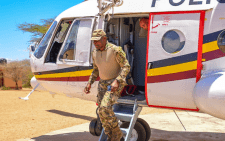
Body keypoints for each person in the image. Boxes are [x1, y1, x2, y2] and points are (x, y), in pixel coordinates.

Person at [84, 29, 130, 141]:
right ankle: (111, 136)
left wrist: (118, 80)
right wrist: (89, 83)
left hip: (114, 83)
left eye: (97, 41)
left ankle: (117, 135)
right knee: (101, 111)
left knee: (105, 108)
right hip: (102, 84)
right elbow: (95, 70)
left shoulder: (115, 50)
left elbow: (126, 66)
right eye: (93, 41)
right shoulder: (94, 52)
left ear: (104, 39)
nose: (95, 43)